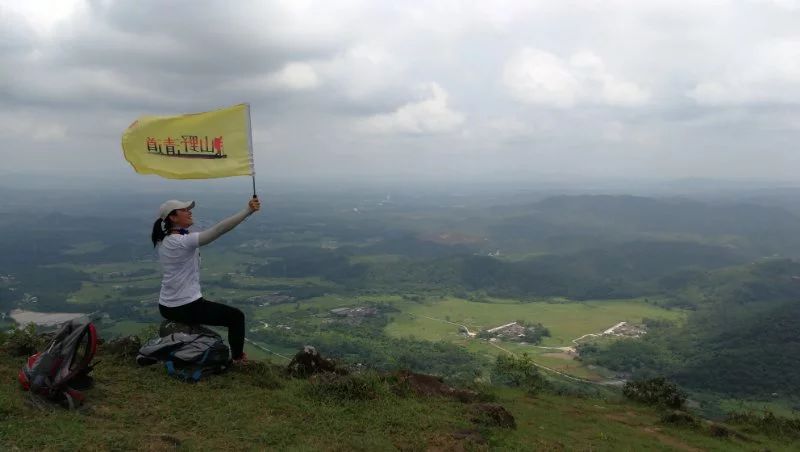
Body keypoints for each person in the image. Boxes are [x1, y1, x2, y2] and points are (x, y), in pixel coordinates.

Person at [150, 196, 260, 364]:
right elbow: (219, 230)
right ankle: (238, 359)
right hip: (184, 305)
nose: (189, 212)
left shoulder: (165, 239)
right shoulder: (181, 241)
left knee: (228, 316)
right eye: (185, 210)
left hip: (167, 305)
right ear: (172, 217)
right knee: (236, 317)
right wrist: (248, 211)